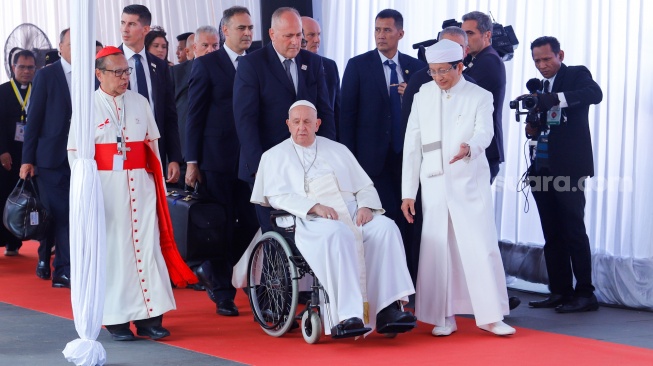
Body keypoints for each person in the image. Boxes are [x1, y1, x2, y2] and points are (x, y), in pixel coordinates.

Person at [252, 100, 416, 335]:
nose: (302, 127)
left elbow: (365, 186)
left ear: (317, 124)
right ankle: (348, 315)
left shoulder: (338, 150)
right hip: (309, 219)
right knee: (339, 234)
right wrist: (314, 206)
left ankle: (388, 308)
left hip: (350, 211)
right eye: (296, 122)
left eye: (307, 122)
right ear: (288, 124)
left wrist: (366, 206)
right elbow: (277, 197)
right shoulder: (273, 156)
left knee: (386, 228)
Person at [68, 46, 196, 342]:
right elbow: (76, 155)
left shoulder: (139, 102)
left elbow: (151, 148)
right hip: (107, 191)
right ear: (99, 74)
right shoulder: (87, 106)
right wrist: (89, 196)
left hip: (141, 187)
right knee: (116, 254)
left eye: (127, 71)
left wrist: (160, 184)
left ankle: (151, 317)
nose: (125, 77)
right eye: (118, 72)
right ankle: (117, 320)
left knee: (147, 249)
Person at [401, 39, 515, 336]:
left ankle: (490, 316)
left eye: (444, 71)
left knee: (479, 246)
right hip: (434, 185)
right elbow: (412, 144)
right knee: (438, 250)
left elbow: (485, 132)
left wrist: (470, 149)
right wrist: (408, 192)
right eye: (433, 71)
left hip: (468, 182)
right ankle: (443, 316)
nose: (438, 78)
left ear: (460, 66)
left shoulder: (480, 95)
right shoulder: (423, 93)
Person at [340, 9, 426, 279]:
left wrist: (409, 95)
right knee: (384, 218)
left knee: (412, 219)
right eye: (377, 30)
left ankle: (411, 280)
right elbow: (347, 116)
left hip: (409, 159)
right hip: (371, 159)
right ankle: (386, 280)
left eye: (387, 30)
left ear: (400, 33)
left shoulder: (417, 68)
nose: (381, 35)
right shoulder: (358, 65)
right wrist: (349, 162)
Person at [233, 6, 335, 232]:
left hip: (309, 166)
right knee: (276, 234)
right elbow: (245, 120)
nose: (295, 41)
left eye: (299, 35)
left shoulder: (313, 63)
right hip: (269, 166)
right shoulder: (252, 65)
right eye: (288, 35)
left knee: (311, 232)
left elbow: (325, 113)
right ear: (272, 34)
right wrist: (260, 167)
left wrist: (329, 156)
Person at [185, 5, 258, 317]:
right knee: (221, 225)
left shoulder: (257, 63)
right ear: (224, 31)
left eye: (250, 28)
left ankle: (246, 279)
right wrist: (192, 160)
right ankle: (222, 291)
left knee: (253, 223)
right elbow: (194, 116)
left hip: (253, 159)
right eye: (241, 28)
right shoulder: (207, 64)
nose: (247, 34)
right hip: (217, 160)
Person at [526, 36, 602, 313]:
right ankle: (559, 290)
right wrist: (532, 126)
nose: (542, 65)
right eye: (537, 61)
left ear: (560, 55)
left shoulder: (575, 74)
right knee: (552, 232)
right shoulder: (540, 88)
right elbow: (542, 126)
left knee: (573, 230)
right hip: (542, 166)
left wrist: (552, 99)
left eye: (547, 59)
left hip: (569, 168)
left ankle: (585, 293)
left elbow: (595, 94)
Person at [21, 29, 73, 289]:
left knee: (74, 214)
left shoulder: (94, 75)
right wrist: (27, 159)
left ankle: (66, 267)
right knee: (64, 214)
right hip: (51, 159)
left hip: (84, 158)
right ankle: (63, 270)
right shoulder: (46, 75)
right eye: (72, 44)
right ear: (61, 47)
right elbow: (34, 120)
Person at [119, 4, 181, 184]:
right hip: (122, 150)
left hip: (155, 150)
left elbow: (169, 115)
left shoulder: (160, 66)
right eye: (123, 23)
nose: (124, 28)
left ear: (145, 29)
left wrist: (174, 157)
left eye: (131, 24)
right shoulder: (109, 62)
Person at [461, 11, 506, 183]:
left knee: (473, 208)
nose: (464, 39)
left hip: (483, 150)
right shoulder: (478, 59)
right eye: (462, 33)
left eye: (470, 33)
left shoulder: (489, 61)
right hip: (478, 148)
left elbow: (464, 97)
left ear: (487, 35)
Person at [0, 50, 36, 257]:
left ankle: (16, 240)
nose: (26, 71)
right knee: (5, 195)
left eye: (30, 67)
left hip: (29, 153)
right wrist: (2, 151)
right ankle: (4, 239)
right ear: (13, 68)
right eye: (21, 67)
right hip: (6, 153)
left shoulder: (39, 89)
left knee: (28, 196)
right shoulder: (3, 91)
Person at [301, 16, 341, 139]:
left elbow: (337, 108)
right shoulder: (291, 67)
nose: (317, 39)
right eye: (311, 35)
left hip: (327, 138)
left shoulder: (330, 65)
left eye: (319, 34)